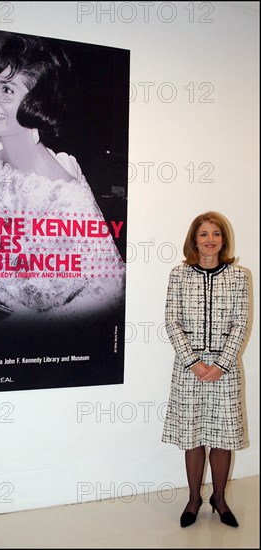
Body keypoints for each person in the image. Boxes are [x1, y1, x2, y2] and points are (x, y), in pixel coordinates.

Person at [0, 31, 125, 329]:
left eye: (6, 89)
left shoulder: (63, 194)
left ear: (37, 101)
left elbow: (110, 287)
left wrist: (22, 332)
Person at [161, 211, 249, 528]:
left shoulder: (239, 277)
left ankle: (220, 498)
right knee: (193, 436)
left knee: (223, 438)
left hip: (225, 371)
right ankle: (194, 498)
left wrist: (221, 364)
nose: (209, 240)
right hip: (189, 369)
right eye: (203, 234)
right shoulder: (179, 275)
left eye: (215, 234)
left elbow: (241, 325)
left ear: (223, 240)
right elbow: (172, 322)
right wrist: (195, 363)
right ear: (194, 240)